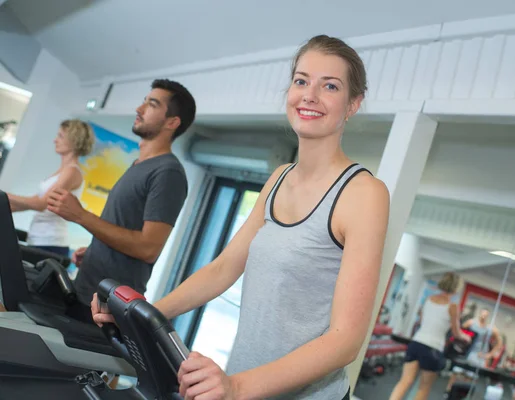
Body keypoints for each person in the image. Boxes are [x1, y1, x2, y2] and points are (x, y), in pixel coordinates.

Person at [93, 34, 390, 399]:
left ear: (352, 104)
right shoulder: (279, 178)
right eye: (301, 81)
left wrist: (236, 386)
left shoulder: (364, 194)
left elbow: (346, 340)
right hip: (245, 385)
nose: (309, 95)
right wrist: (141, 314)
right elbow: (223, 268)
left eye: (330, 86)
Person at [47, 79, 195, 322]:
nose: (139, 108)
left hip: (106, 309)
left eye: (152, 104)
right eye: (144, 101)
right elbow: (124, 230)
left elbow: (148, 248)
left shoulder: (168, 172)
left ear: (172, 122)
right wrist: (97, 251)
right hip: (86, 291)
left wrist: (80, 215)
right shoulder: (139, 165)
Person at [6, 119, 95, 257]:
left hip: (50, 242)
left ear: (74, 140)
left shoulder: (72, 172)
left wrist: (3, 195)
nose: (55, 140)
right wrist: (5, 206)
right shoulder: (62, 171)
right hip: (37, 239)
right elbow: (36, 200)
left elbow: (41, 204)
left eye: (60, 136)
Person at [389, 272, 471, 400]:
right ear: (456, 288)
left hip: (416, 343)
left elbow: (422, 321)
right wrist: (466, 337)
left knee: (404, 382)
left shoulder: (429, 299)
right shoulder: (453, 306)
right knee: (423, 388)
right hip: (433, 349)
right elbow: (456, 333)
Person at [445, 308, 503, 396]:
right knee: (457, 372)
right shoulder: (471, 323)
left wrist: (489, 355)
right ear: (479, 314)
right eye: (482, 314)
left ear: (487, 317)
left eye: (485, 315)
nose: (483, 316)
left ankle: (464, 395)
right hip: (468, 352)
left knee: (471, 377)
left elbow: (499, 343)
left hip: (480, 355)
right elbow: (459, 332)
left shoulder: (491, 328)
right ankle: (448, 391)